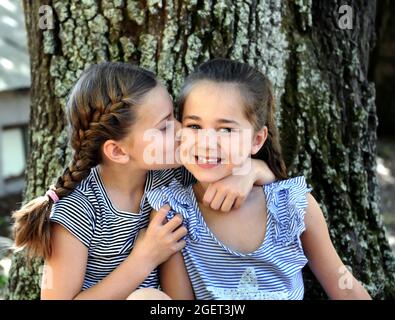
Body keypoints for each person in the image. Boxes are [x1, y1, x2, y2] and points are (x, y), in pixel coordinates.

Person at [12, 62, 275, 300]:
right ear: (118, 151)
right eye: (164, 127)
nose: (182, 131)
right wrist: (144, 259)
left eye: (174, 116)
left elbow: (246, 170)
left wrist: (249, 171)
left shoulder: (170, 174)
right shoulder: (78, 209)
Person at [146, 58, 372, 300]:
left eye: (226, 129)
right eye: (194, 126)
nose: (206, 142)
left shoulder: (292, 205)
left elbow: (345, 289)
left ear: (257, 140)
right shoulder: (174, 214)